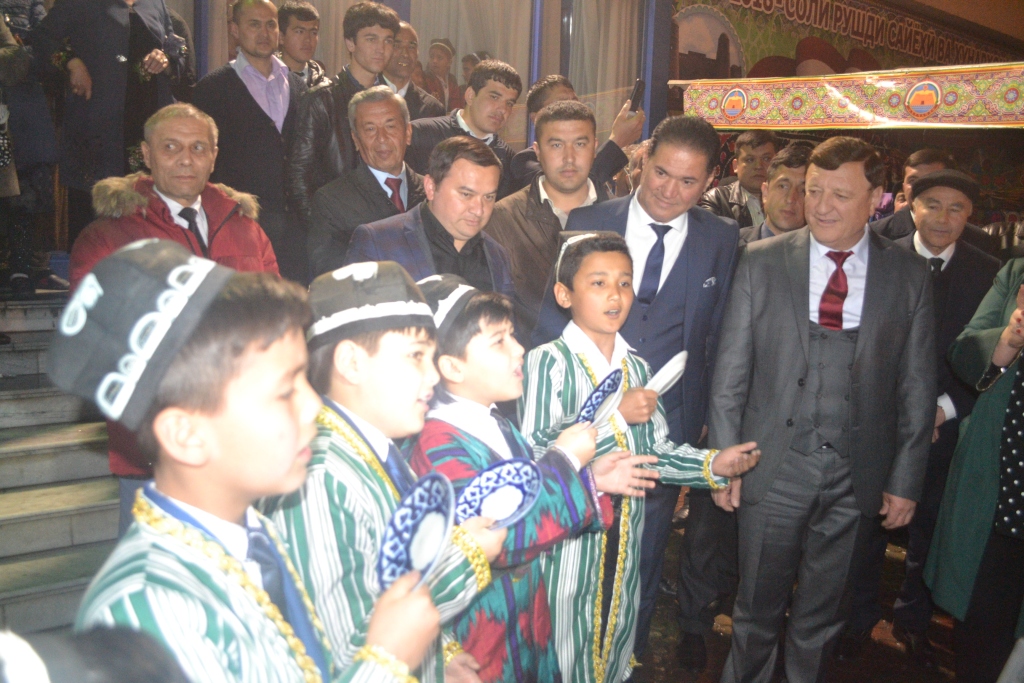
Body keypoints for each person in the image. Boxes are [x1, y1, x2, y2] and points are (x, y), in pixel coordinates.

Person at [49, 240, 442, 682]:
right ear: (187, 435)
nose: (314, 406)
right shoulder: (149, 610)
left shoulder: (254, 536)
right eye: (285, 390)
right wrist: (386, 662)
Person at [709, 136, 936, 683]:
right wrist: (722, 461)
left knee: (822, 616)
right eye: (814, 191)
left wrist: (905, 479)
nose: (821, 206)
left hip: (856, 475)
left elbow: (916, 387)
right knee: (755, 611)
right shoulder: (761, 262)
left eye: (840, 194)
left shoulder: (908, 275)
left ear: (876, 198)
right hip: (772, 465)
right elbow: (730, 374)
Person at [532, 116, 740, 660]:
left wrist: (710, 423)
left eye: (688, 182)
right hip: (585, 414)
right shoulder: (589, 219)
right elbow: (555, 320)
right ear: (643, 159)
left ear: (709, 182)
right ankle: (561, 656)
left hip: (668, 421)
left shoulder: (721, 237)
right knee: (574, 541)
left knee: (642, 550)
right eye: (661, 173)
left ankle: (627, 654)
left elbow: (720, 334)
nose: (670, 191)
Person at [521, 232, 760, 683]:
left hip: (624, 536)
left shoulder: (639, 368)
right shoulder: (548, 362)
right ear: (564, 294)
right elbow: (537, 453)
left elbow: (655, 453)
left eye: (625, 283)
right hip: (569, 541)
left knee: (611, 639)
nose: (615, 295)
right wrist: (616, 418)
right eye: (598, 283)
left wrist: (712, 465)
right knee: (564, 645)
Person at [262, 260, 506, 682]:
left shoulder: (378, 451)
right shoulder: (319, 478)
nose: (433, 374)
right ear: (351, 363)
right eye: (416, 356)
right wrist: (464, 559)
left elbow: (388, 585)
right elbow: (344, 655)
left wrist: (439, 655)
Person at [68, 103, 278, 538]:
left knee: (244, 567)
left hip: (242, 443)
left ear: (214, 157)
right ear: (146, 154)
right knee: (160, 571)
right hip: (156, 452)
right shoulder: (110, 236)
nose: (186, 159)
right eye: (171, 147)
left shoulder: (245, 228)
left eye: (198, 147)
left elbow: (277, 322)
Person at [411, 273, 612, 683]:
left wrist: (592, 480)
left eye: (513, 336)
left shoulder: (497, 424)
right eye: (499, 341)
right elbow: (507, 536)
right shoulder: (437, 446)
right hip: (480, 640)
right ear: (451, 366)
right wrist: (564, 461)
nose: (519, 349)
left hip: (525, 626)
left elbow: (531, 495)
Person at [838, 169, 1000, 667]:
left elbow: (986, 355)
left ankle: (912, 621)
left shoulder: (989, 273)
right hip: (876, 420)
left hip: (945, 423)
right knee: (865, 525)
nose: (943, 218)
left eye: (957, 208)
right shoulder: (875, 258)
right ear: (911, 206)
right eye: (933, 204)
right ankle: (855, 619)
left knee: (928, 529)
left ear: (970, 216)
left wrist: (940, 409)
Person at [29, 0, 187, 246]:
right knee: (94, 223)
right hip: (97, 126)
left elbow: (176, 48)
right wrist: (73, 63)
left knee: (146, 218)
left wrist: (163, 57)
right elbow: (42, 38)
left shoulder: (155, 4)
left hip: (146, 127)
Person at [193, 0, 306, 283]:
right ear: (234, 29)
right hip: (239, 226)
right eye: (254, 24)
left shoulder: (298, 86)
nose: (264, 33)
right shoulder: (212, 89)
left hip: (296, 230)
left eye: (271, 24)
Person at [486, 100, 608, 341]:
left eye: (580, 144)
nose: (569, 158)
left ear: (594, 147)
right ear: (537, 151)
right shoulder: (500, 219)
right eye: (556, 145)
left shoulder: (621, 217)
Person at [346, 136, 515, 300]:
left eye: (488, 197)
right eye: (466, 194)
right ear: (431, 187)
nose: (479, 210)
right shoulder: (379, 243)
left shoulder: (498, 256)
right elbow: (352, 316)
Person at [287, 1, 400, 224]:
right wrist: (323, 228)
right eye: (371, 39)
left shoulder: (393, 101)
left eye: (388, 40)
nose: (381, 48)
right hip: (336, 223)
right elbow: (298, 177)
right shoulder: (322, 99)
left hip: (383, 223)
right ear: (350, 43)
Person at [306, 86, 425, 278]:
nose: (382, 138)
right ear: (355, 139)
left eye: (390, 126)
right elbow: (330, 275)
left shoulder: (433, 192)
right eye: (370, 129)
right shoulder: (332, 201)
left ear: (408, 133)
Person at [508, 74, 644, 194]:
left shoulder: (589, 154)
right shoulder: (525, 161)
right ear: (536, 118)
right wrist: (617, 140)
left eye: (575, 102)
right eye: (561, 104)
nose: (571, 109)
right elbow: (569, 192)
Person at [405, 59, 521, 199]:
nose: (502, 109)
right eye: (494, 97)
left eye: (509, 103)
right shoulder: (420, 134)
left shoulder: (509, 160)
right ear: (470, 95)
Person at [870, 148, 1000, 257]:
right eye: (913, 181)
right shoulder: (875, 235)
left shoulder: (979, 241)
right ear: (903, 185)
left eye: (931, 181)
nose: (919, 188)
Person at [699, 131, 780, 229]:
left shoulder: (790, 198)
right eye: (750, 160)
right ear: (735, 166)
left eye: (766, 159)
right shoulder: (717, 199)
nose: (759, 166)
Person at [738, 143, 810, 245]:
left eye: (803, 191)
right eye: (783, 186)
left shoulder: (825, 251)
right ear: (765, 193)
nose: (791, 199)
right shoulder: (732, 246)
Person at [383, 22, 445, 121]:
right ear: (383, 50)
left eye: (411, 47)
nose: (405, 54)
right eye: (397, 45)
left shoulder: (431, 109)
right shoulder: (364, 97)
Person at [277, 0, 328, 90]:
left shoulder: (322, 83)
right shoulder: (267, 78)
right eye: (300, 32)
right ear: (281, 37)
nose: (308, 39)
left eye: (313, 33)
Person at [423, 38, 462, 112]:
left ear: (449, 62)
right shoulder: (424, 78)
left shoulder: (452, 80)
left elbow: (456, 105)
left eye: (439, 57)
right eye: (431, 57)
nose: (434, 61)